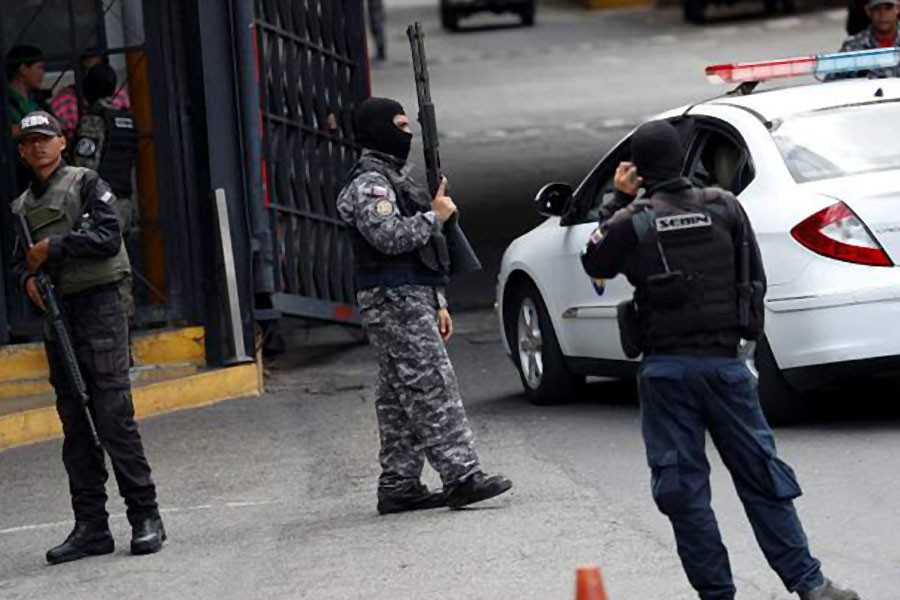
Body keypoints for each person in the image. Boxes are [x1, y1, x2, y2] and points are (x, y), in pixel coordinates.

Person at [580, 120, 859, 600]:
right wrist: (741, 344)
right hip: (726, 366)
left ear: (638, 170)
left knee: (683, 492)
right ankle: (810, 584)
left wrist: (617, 200)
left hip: (667, 370)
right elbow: (754, 277)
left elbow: (595, 261)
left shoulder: (633, 220)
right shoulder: (725, 207)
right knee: (762, 476)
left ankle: (717, 595)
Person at [336, 97, 512, 515]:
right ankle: (462, 476)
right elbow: (390, 238)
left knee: (399, 393)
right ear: (379, 129)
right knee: (432, 385)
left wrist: (438, 301)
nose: (408, 132)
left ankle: (399, 483)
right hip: (392, 298)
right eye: (399, 125)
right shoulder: (370, 184)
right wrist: (434, 216)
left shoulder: (395, 178)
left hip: (409, 295)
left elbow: (421, 253)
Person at [10, 111, 164, 564]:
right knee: (75, 422)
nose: (39, 147)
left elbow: (108, 235)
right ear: (21, 151)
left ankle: (145, 516)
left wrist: (54, 248)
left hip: (100, 306)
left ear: (62, 142)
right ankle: (91, 526)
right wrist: (28, 283)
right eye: (30, 142)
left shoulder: (86, 182)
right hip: (60, 315)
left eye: (46, 139)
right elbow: (19, 263)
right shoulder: (20, 207)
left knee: (113, 414)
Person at [52, 49, 131, 142]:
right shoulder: (65, 99)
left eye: (98, 70)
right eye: (89, 71)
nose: (94, 76)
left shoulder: (119, 95)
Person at [828, 0, 900, 80]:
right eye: (876, 8)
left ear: (898, 8)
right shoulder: (853, 47)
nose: (882, 14)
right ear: (868, 11)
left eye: (888, 8)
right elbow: (831, 85)